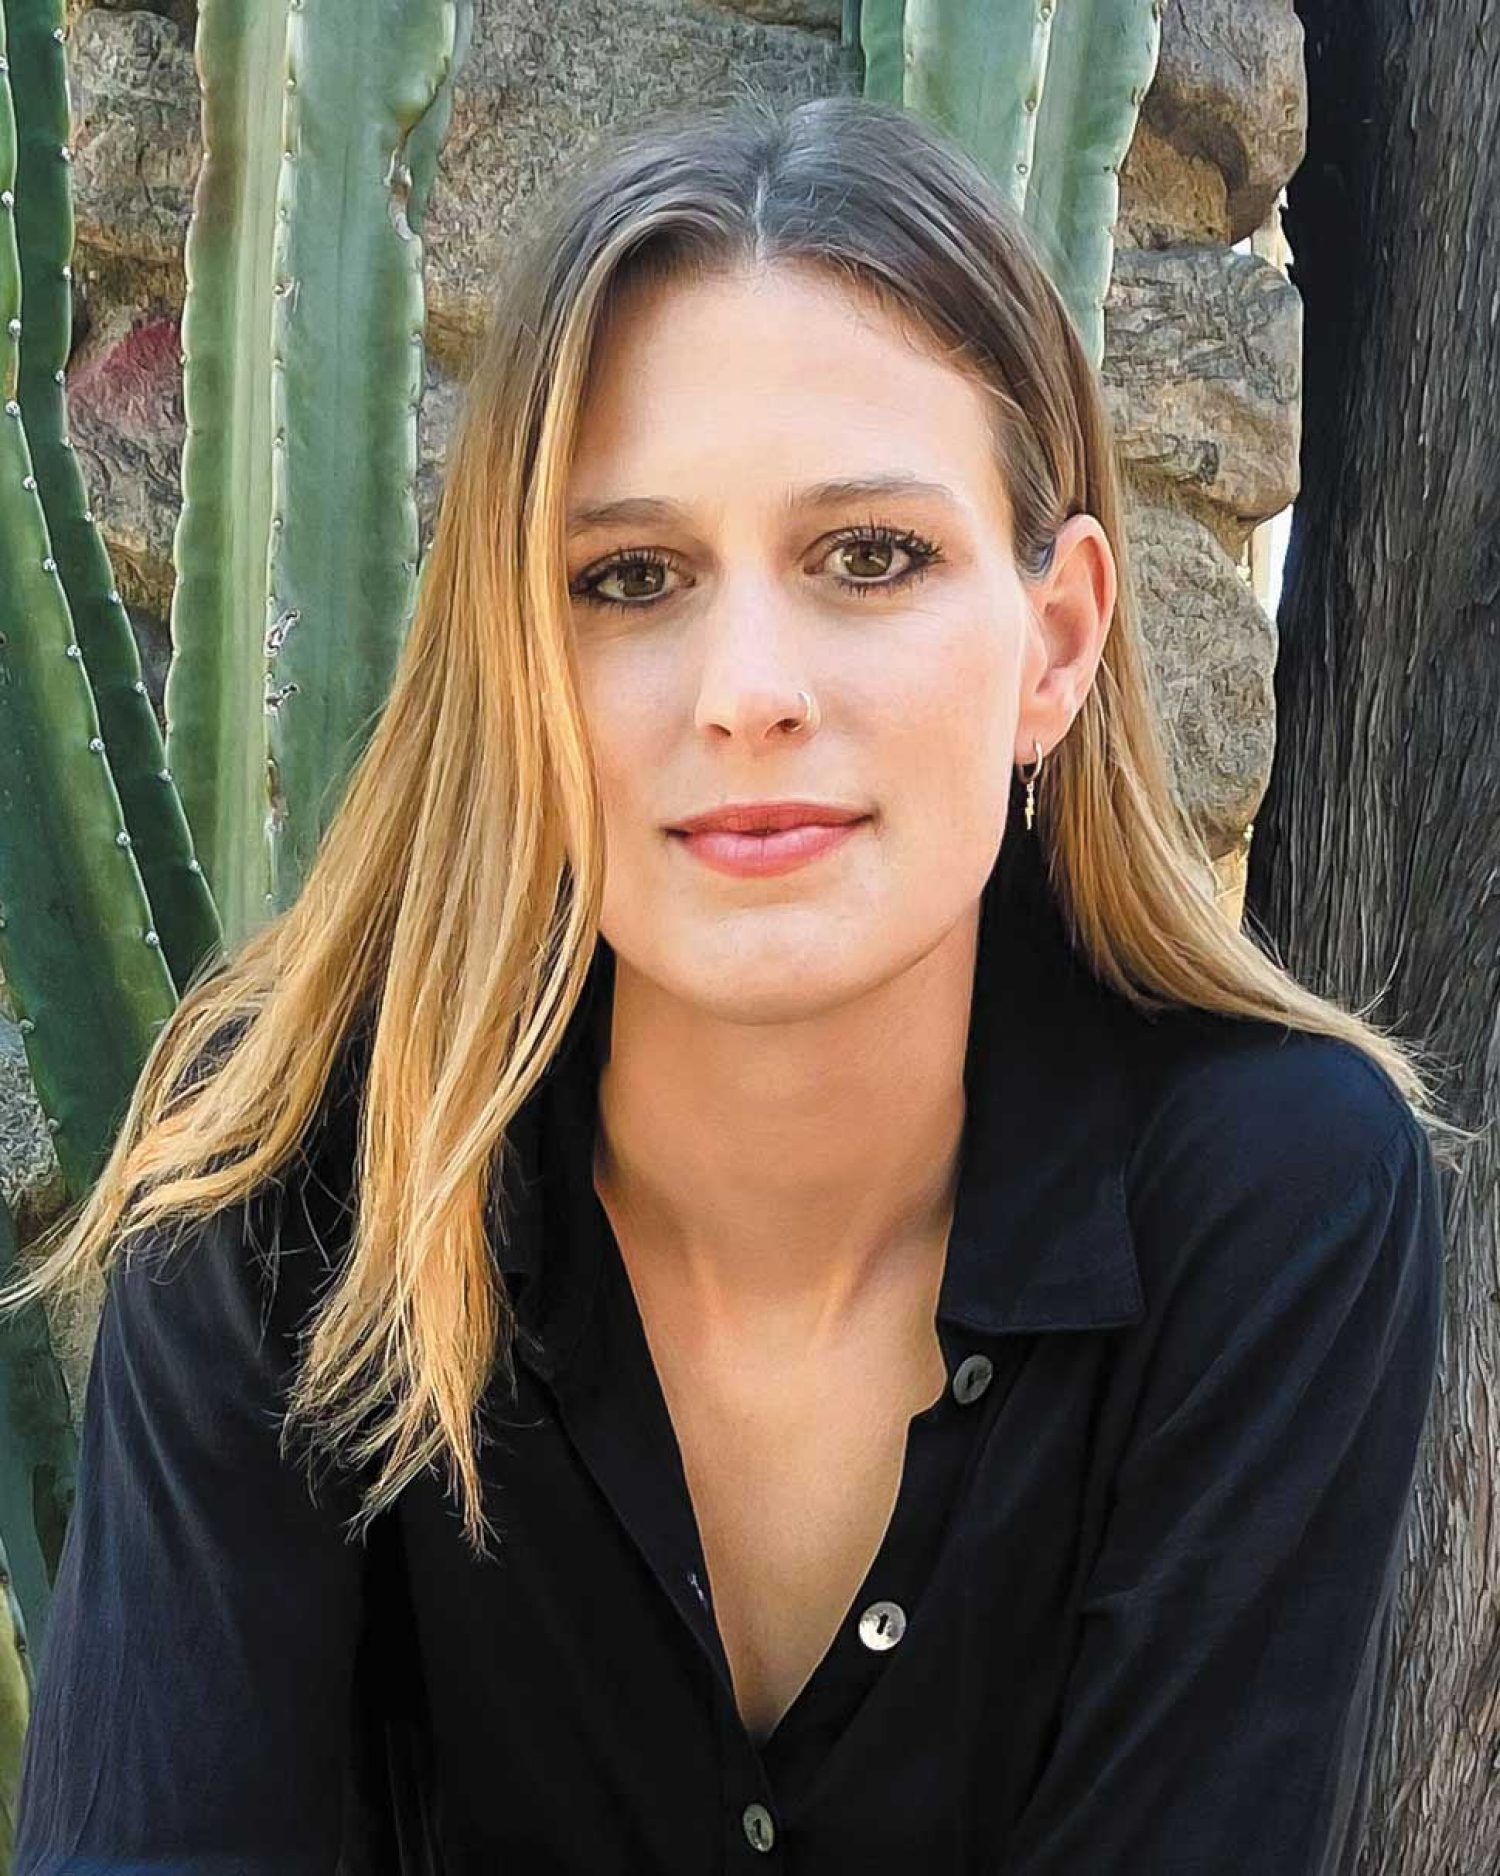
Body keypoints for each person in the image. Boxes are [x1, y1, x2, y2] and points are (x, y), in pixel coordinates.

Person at [3, 91, 1463, 1875]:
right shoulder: (286, 1189)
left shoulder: (1274, 1202)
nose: (746, 689)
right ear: (518, 662)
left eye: (871, 556)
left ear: (1058, 645)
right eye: (631, 578)